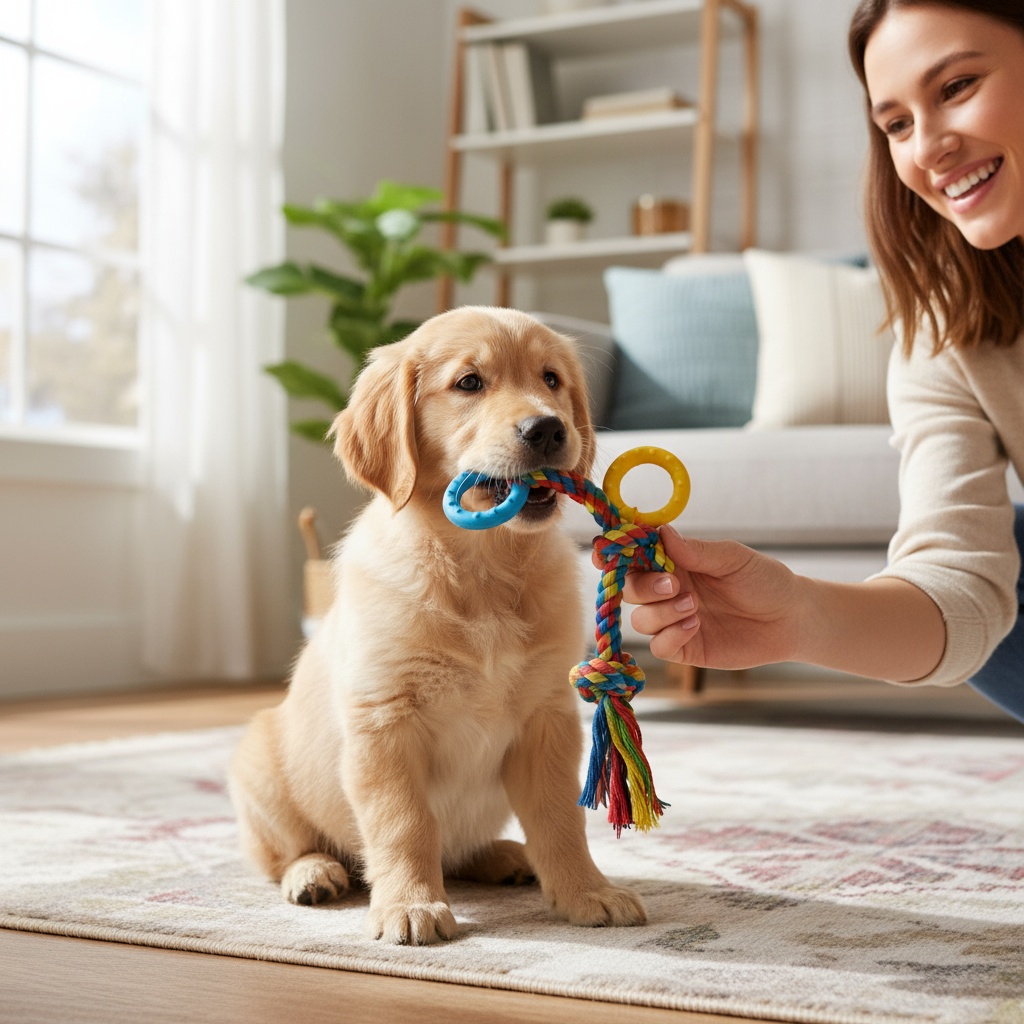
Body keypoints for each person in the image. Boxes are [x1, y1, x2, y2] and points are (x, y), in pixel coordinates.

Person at [611, 0, 1024, 723]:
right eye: (896, 124)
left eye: (956, 87)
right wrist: (797, 616)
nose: (926, 148)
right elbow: (961, 584)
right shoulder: (945, 327)